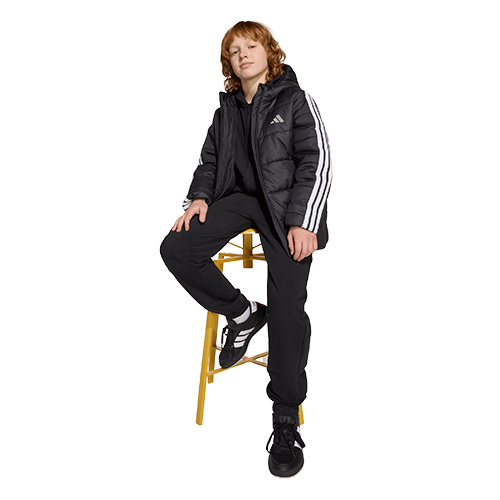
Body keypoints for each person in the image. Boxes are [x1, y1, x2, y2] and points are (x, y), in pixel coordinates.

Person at [160, 20, 331, 477]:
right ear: (229, 64)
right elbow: (210, 160)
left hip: (285, 210)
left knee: (288, 308)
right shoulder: (226, 111)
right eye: (234, 51)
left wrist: (304, 221)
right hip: (238, 200)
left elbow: (316, 159)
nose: (242, 55)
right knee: (176, 249)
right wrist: (199, 198)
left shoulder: (294, 99)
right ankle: (242, 314)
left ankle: (285, 417)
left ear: (268, 52)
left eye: (251, 46)